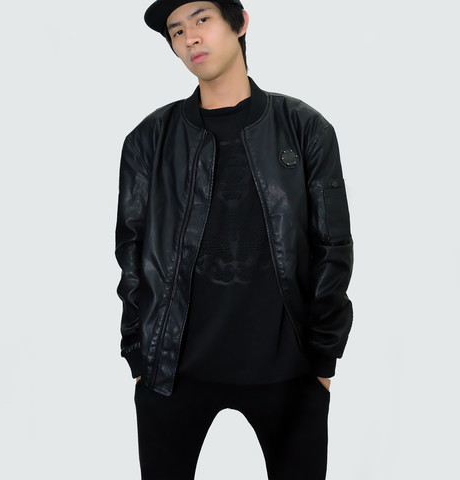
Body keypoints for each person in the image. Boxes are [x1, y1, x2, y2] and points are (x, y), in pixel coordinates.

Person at [114, 1, 354, 478]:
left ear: (240, 22)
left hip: (288, 372)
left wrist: (323, 359)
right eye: (176, 31)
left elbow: (333, 245)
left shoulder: (304, 128)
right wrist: (138, 356)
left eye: (202, 19)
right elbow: (130, 251)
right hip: (172, 373)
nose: (190, 38)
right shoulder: (149, 139)